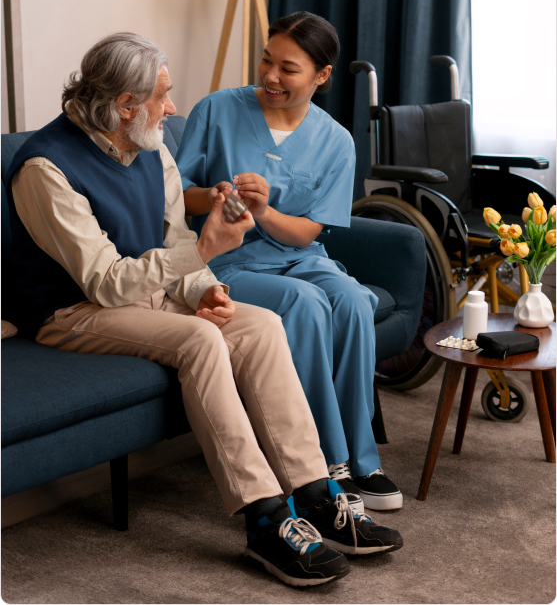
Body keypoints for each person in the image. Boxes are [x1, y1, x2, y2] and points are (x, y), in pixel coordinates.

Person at [5, 32, 403, 590]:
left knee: (260, 323)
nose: (173, 108)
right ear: (124, 105)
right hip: (72, 311)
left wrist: (203, 289)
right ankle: (265, 518)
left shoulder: (153, 147)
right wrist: (208, 250)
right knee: (200, 341)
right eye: (163, 96)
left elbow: (171, 242)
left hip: (148, 295)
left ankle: (315, 492)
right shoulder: (45, 168)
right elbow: (106, 283)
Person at [176, 12, 403, 512]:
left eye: (289, 68)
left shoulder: (337, 141)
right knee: (304, 303)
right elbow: (172, 196)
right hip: (228, 262)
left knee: (349, 299)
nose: (271, 77)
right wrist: (212, 196)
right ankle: (324, 463)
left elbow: (307, 232)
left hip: (300, 256)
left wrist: (264, 210)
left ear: (321, 76)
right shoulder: (216, 110)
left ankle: (364, 460)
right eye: (265, 60)